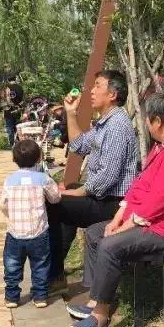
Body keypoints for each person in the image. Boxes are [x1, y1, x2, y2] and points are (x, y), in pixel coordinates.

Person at [67, 91, 164, 327]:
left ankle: (100, 318)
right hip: (153, 221)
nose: (145, 123)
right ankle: (96, 300)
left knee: (110, 245)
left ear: (158, 122)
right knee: (96, 232)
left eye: (147, 118)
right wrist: (118, 217)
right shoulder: (163, 147)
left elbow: (160, 199)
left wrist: (125, 226)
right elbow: (140, 186)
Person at [46, 70, 139, 289]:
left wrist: (75, 192)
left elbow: (106, 178)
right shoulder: (105, 123)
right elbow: (78, 145)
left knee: (56, 204)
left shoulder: (117, 126)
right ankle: (54, 275)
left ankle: (52, 274)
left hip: (115, 204)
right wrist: (71, 113)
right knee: (63, 201)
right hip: (104, 198)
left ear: (112, 94)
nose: (92, 91)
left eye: (98, 86)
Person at [0, 139, 61, 308]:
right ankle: (40, 297)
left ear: (14, 159)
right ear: (39, 158)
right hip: (39, 232)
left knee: (12, 265)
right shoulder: (43, 179)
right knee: (40, 265)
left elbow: (3, 204)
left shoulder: (9, 180)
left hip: (15, 233)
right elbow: (55, 198)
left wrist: (11, 215)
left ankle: (12, 297)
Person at [1, 76, 25, 147]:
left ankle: (11, 144)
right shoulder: (20, 87)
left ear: (8, 80)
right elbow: (22, 100)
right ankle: (18, 143)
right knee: (17, 127)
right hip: (18, 110)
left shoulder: (7, 88)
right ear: (15, 80)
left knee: (9, 127)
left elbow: (7, 100)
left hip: (9, 110)